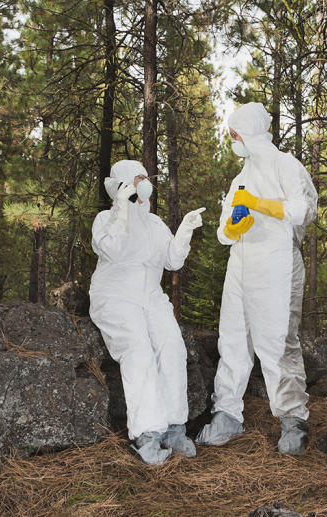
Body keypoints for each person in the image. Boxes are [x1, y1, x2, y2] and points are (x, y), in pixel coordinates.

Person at [196, 103, 318, 455]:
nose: (232, 141)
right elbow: (222, 232)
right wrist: (234, 226)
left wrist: (260, 205)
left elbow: (304, 209)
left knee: (277, 344)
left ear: (241, 134)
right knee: (233, 341)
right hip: (241, 267)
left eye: (233, 135)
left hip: (277, 266)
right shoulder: (239, 178)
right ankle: (227, 415)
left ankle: (293, 420)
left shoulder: (286, 165)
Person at [89, 159, 206, 465]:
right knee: (138, 352)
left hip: (151, 297)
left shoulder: (155, 224)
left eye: (145, 177)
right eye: (136, 178)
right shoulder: (107, 218)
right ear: (122, 184)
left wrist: (184, 232)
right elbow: (110, 249)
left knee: (172, 347)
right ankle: (147, 434)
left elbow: (172, 260)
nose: (144, 183)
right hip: (115, 296)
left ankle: (174, 428)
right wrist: (123, 208)